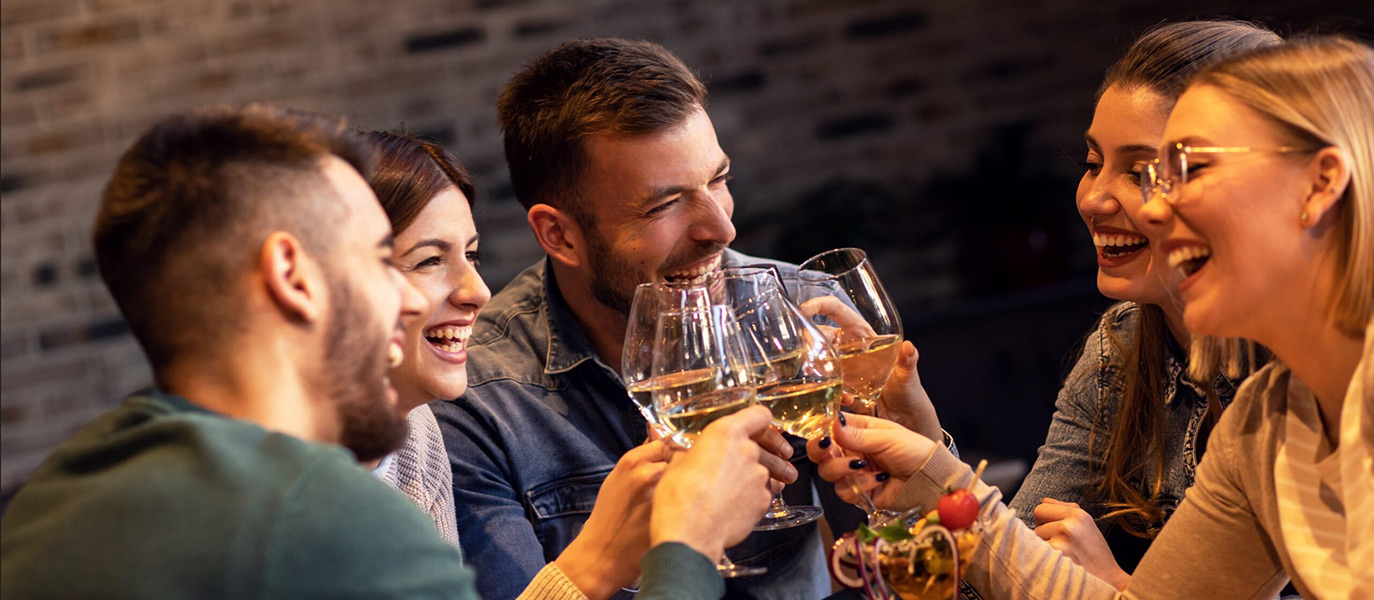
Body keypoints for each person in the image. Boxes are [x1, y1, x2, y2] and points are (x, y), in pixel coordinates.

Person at [0, 104, 778, 600]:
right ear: (293, 277)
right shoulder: (330, 518)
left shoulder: (58, 493)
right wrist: (687, 548)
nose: (416, 299)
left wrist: (597, 567)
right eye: (383, 257)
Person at [808, 35, 1374, 598]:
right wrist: (931, 473)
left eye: (1187, 170)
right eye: (1095, 164)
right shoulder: (1268, 417)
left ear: (1321, 184)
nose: (1151, 208)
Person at [432, 37, 895, 600]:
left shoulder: (802, 313)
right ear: (560, 234)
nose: (721, 230)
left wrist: (911, 458)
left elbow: (896, 568)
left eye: (718, 180)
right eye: (664, 205)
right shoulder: (475, 397)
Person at [365, 129, 796, 598]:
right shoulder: (461, 410)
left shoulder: (413, 436)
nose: (479, 292)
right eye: (429, 260)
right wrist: (675, 544)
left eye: (473, 255)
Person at [1002, 21, 1279, 589]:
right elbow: (1004, 566)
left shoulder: (1315, 374)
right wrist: (926, 454)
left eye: (1142, 172)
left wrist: (1116, 585)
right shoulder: (1124, 344)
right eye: (1091, 161)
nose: (1093, 199)